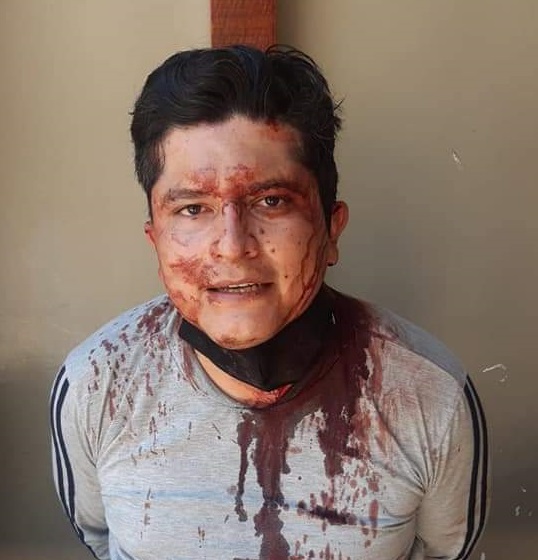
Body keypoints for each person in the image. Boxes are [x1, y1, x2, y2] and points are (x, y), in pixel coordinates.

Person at [50, 45, 489, 560]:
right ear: (156, 239)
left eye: (271, 201)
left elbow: (444, 551)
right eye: (193, 208)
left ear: (331, 229)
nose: (233, 246)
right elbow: (97, 537)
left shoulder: (430, 395)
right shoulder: (96, 385)